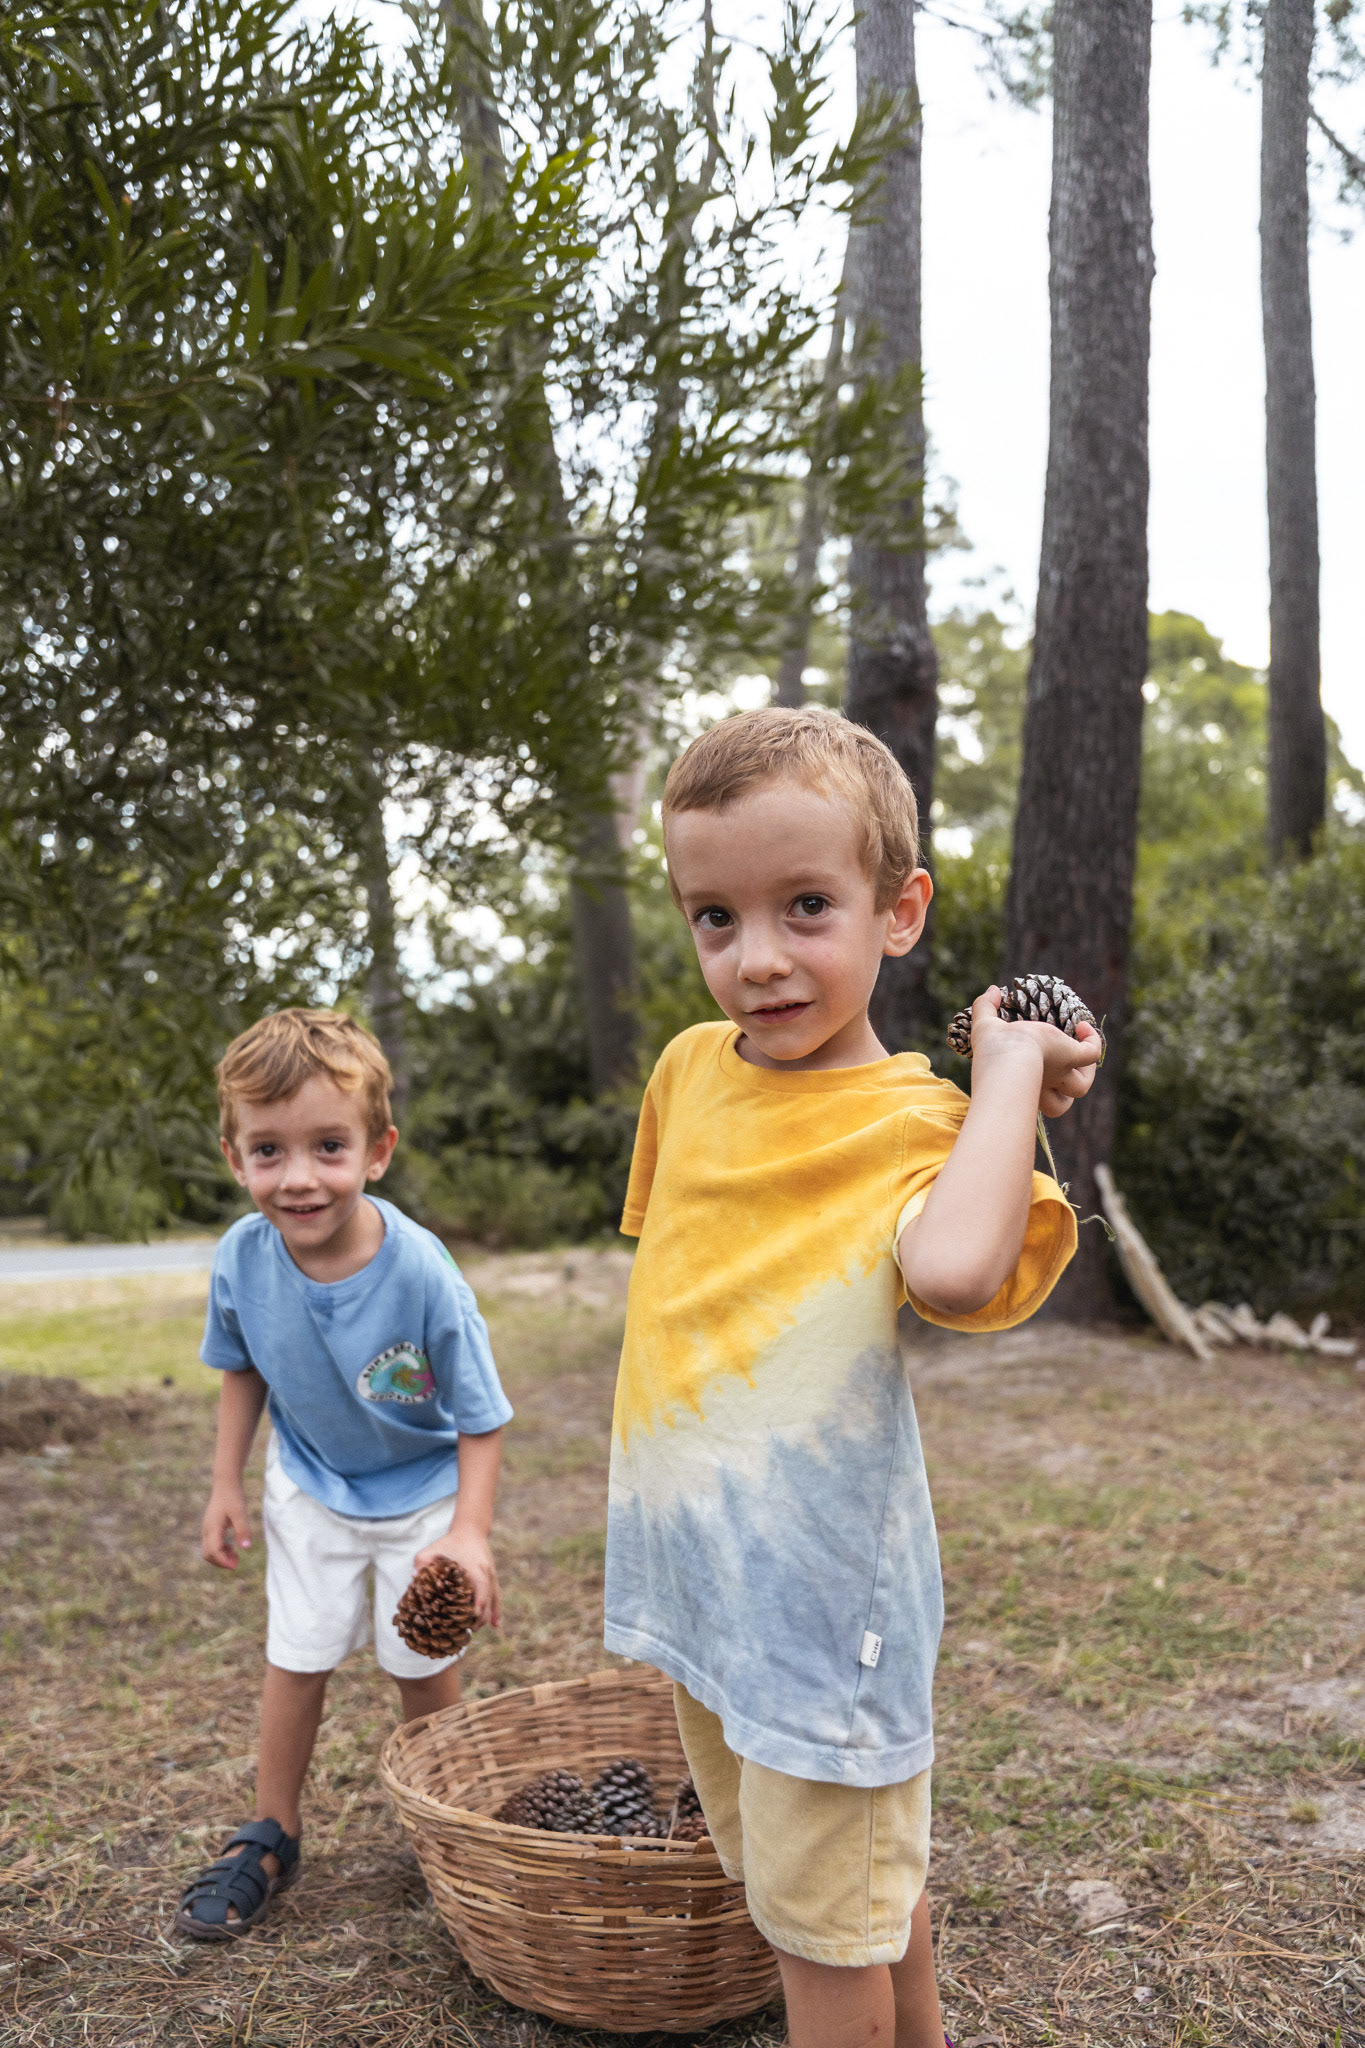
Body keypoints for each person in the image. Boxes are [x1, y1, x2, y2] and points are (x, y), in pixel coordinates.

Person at [604, 707, 1101, 2048]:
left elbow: (948, 1273)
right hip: (705, 1581)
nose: (756, 958)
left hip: (826, 1610)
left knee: (817, 1938)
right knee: (837, 1891)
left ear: (900, 911)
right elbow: (686, 1271)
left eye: (806, 906)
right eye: (715, 917)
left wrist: (1006, 1077)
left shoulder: (918, 1125)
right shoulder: (685, 1074)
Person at [176, 1009, 511, 1941]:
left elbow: (481, 1420)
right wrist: (226, 1484)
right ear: (235, 1158)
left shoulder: (423, 1277)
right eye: (268, 1150)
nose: (298, 1177)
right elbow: (239, 1365)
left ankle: (443, 1827)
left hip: (423, 1498)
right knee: (299, 1654)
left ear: (376, 1151)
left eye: (328, 1146)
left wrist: (468, 1533)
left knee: (420, 1664)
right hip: (312, 1486)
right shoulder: (242, 1257)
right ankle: (270, 1832)